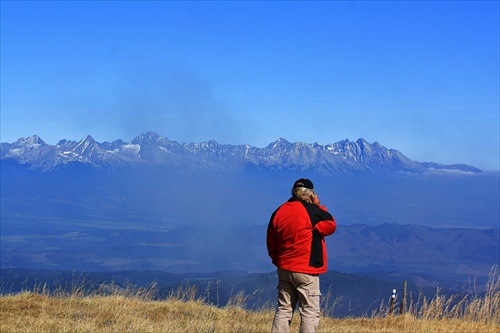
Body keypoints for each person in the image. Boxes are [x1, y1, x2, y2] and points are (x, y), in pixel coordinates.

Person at [266, 178, 337, 333]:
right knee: (309, 312)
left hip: (284, 267)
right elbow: (331, 225)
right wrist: (319, 207)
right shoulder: (312, 212)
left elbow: (271, 241)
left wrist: (278, 260)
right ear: (310, 194)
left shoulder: (279, 211)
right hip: (306, 269)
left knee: (284, 310)